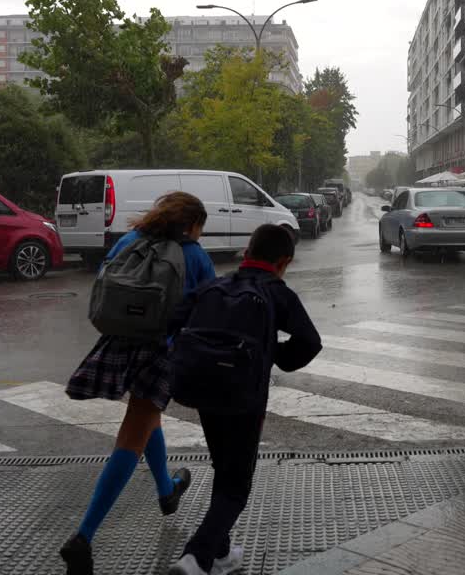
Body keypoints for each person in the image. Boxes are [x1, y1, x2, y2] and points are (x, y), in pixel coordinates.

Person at [60, 191, 217, 575]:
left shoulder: (130, 241)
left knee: (147, 419)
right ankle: (83, 537)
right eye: (200, 227)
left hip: (119, 342)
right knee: (132, 435)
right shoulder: (194, 256)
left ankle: (167, 492)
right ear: (192, 224)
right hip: (160, 352)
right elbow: (211, 310)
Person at [167, 224, 322, 575]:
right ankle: (197, 557)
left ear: (248, 251)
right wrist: (273, 354)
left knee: (225, 468)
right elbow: (310, 342)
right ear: (284, 261)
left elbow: (173, 321)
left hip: (202, 391)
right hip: (243, 399)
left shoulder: (215, 285)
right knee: (237, 486)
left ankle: (221, 554)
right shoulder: (277, 292)